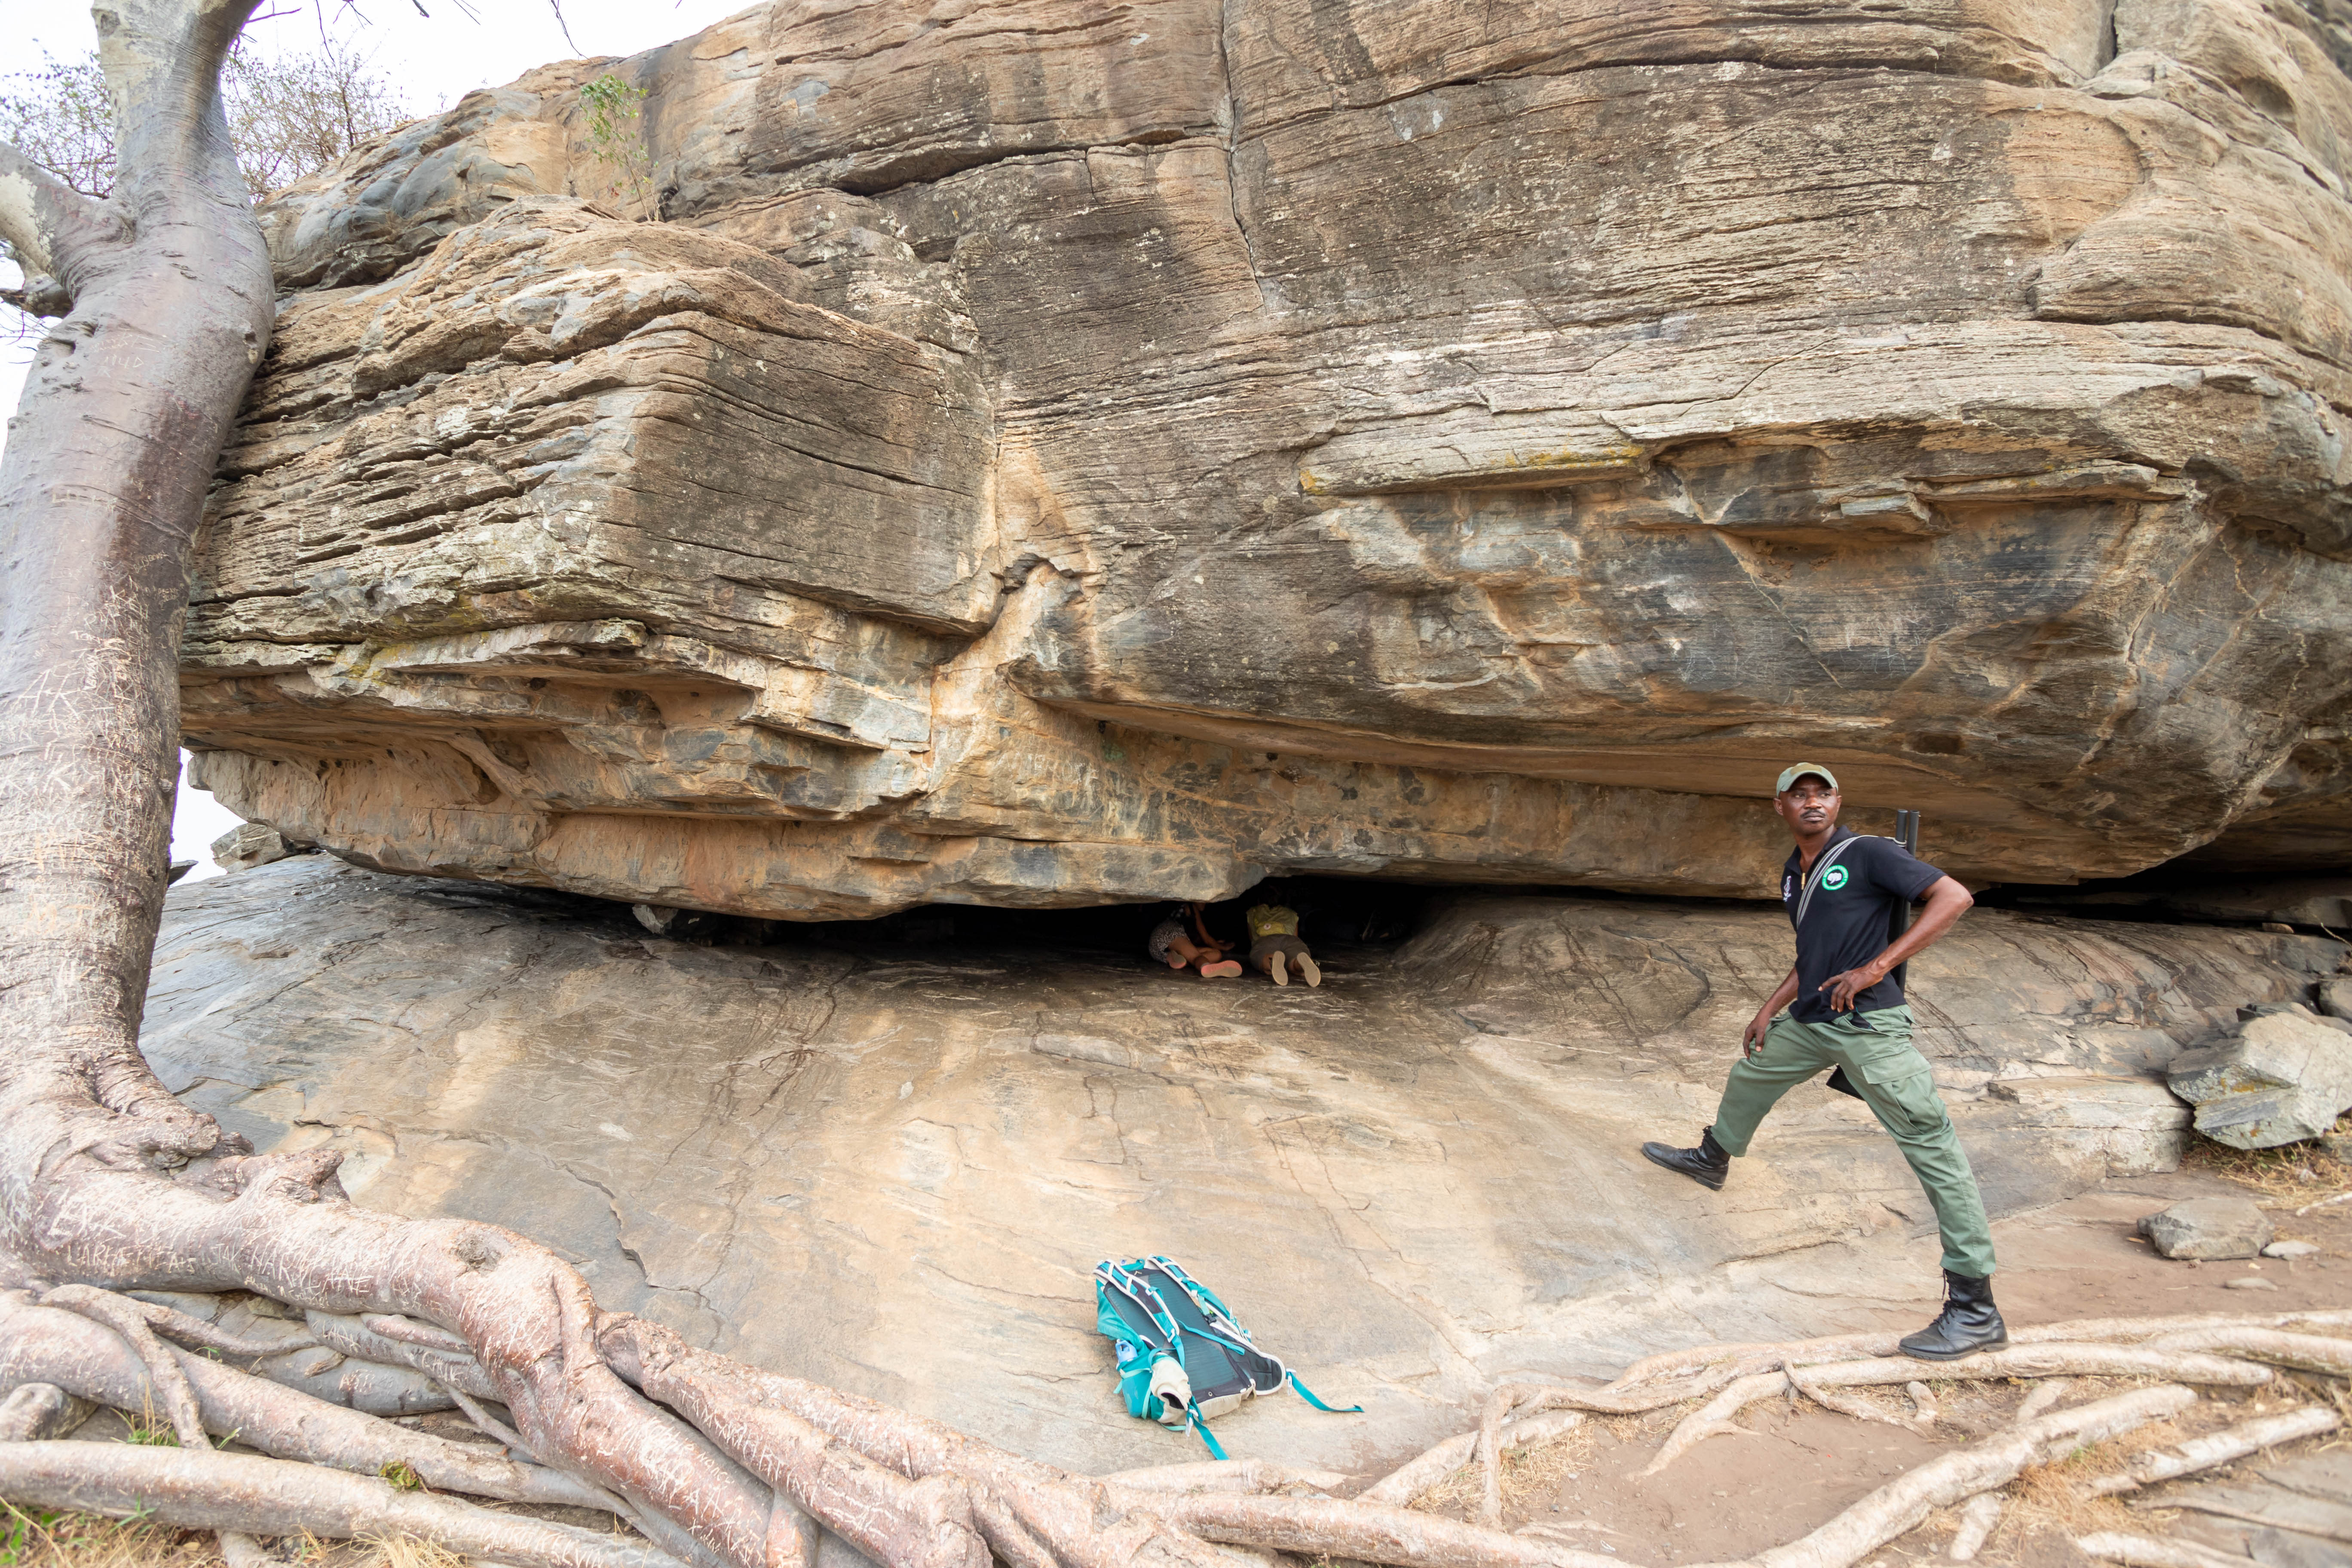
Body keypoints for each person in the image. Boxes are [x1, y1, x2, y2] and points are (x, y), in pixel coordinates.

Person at [1638, 764, 2002, 1361]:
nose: (1813, 802)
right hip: (1813, 1020)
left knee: (1933, 1149)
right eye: (1800, 795)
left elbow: (1954, 898)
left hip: (1868, 1026)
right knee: (1751, 1073)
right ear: (1779, 806)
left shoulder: (1869, 854)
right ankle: (1712, 1158)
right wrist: (1769, 1008)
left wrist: (1875, 969)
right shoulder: (1796, 871)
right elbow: (1812, 952)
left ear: (1838, 802)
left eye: (1823, 793)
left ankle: (1975, 1309)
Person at [1147, 902, 1242, 979]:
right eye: (1203, 900)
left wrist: (1217, 945)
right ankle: (1206, 967)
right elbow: (1207, 939)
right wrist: (1224, 947)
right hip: (1167, 934)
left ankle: (1175, 957)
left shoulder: (1181, 913)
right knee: (1196, 957)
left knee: (1216, 954)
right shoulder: (1191, 907)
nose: (1205, 903)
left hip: (1158, 951)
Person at [1243, 900, 1320, 987]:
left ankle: (1272, 961)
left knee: (1263, 959)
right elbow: (1295, 936)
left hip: (1266, 941)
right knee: (1293, 963)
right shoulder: (1292, 914)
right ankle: (1300, 964)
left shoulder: (1253, 912)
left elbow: (1252, 939)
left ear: (1259, 901)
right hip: (1290, 940)